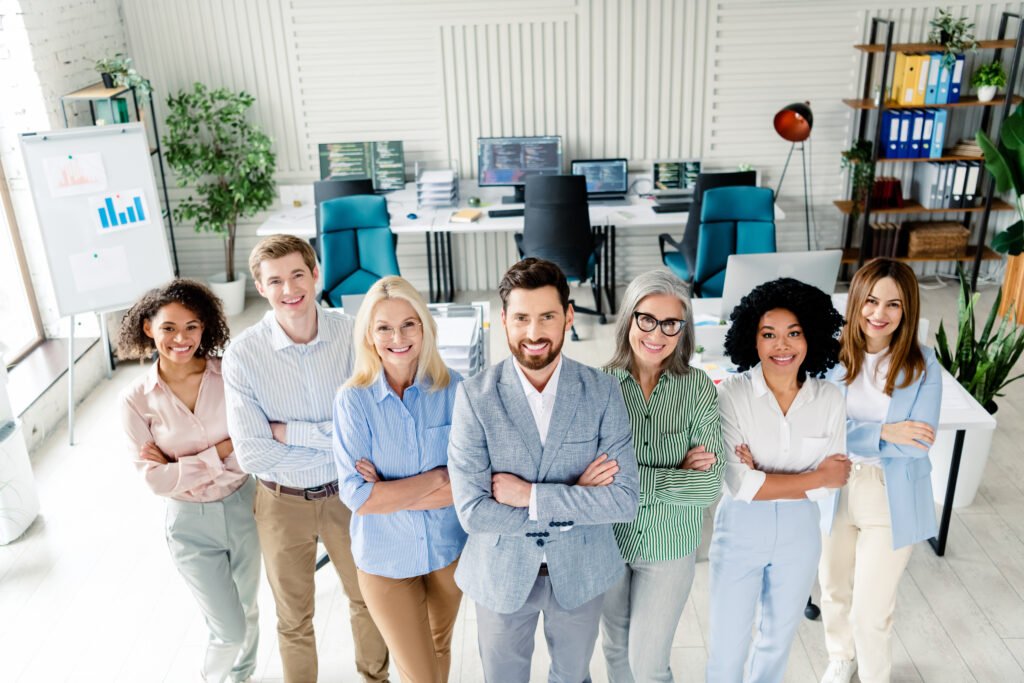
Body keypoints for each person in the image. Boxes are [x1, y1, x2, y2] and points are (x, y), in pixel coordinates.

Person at [447, 257, 639, 683]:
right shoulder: (475, 398)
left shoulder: (603, 392)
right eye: (521, 318)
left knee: (572, 677)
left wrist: (529, 495)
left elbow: (624, 500)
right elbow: (473, 512)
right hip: (501, 573)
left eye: (547, 316)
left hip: (581, 571)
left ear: (568, 316)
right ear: (503, 320)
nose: (534, 333)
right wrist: (578, 497)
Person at [221, 234, 389, 683]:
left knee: (368, 600)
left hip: (350, 495)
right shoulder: (243, 356)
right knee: (293, 618)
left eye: (298, 274)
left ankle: (376, 678)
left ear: (316, 275)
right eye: (275, 280)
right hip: (281, 503)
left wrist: (288, 433)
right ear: (261, 287)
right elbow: (253, 452)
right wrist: (336, 445)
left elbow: (373, 426)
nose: (288, 289)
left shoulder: (352, 334)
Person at [706, 277, 851, 683]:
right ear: (753, 340)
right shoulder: (732, 394)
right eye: (769, 335)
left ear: (811, 337)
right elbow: (742, 487)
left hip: (801, 531)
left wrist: (765, 476)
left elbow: (832, 481)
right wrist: (811, 474)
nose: (781, 346)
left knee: (777, 640)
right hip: (739, 529)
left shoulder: (829, 399)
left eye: (794, 334)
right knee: (727, 643)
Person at [118, 279, 259, 683]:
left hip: (244, 505)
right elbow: (157, 482)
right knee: (227, 627)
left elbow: (249, 451)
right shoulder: (136, 399)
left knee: (247, 610)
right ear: (148, 328)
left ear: (206, 327)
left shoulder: (230, 374)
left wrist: (181, 464)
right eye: (168, 328)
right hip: (189, 524)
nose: (181, 339)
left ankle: (243, 677)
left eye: (192, 327)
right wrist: (220, 451)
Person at [333, 276, 467, 683]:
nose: (398, 337)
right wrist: (438, 477)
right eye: (384, 327)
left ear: (425, 327)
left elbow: (468, 486)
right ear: (369, 336)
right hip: (386, 560)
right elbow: (359, 497)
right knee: (420, 675)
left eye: (409, 323)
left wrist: (389, 489)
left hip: (448, 552)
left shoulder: (455, 390)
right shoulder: (353, 400)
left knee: (439, 648)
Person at [817, 259, 941, 683]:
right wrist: (887, 430)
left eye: (893, 304)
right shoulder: (829, 355)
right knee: (833, 587)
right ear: (856, 302)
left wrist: (853, 433)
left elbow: (919, 442)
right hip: (835, 485)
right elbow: (819, 431)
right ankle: (841, 658)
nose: (879, 314)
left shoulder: (923, 364)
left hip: (889, 492)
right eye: (870, 301)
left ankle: (874, 676)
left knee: (872, 607)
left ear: (907, 310)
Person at [600, 269, 724, 683]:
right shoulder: (598, 387)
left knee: (649, 665)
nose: (658, 333)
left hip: (669, 547)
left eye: (671, 323)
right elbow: (587, 479)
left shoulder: (699, 388)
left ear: (683, 329)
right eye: (647, 319)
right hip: (608, 542)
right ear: (629, 320)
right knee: (615, 651)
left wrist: (627, 480)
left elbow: (707, 486)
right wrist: (675, 476)